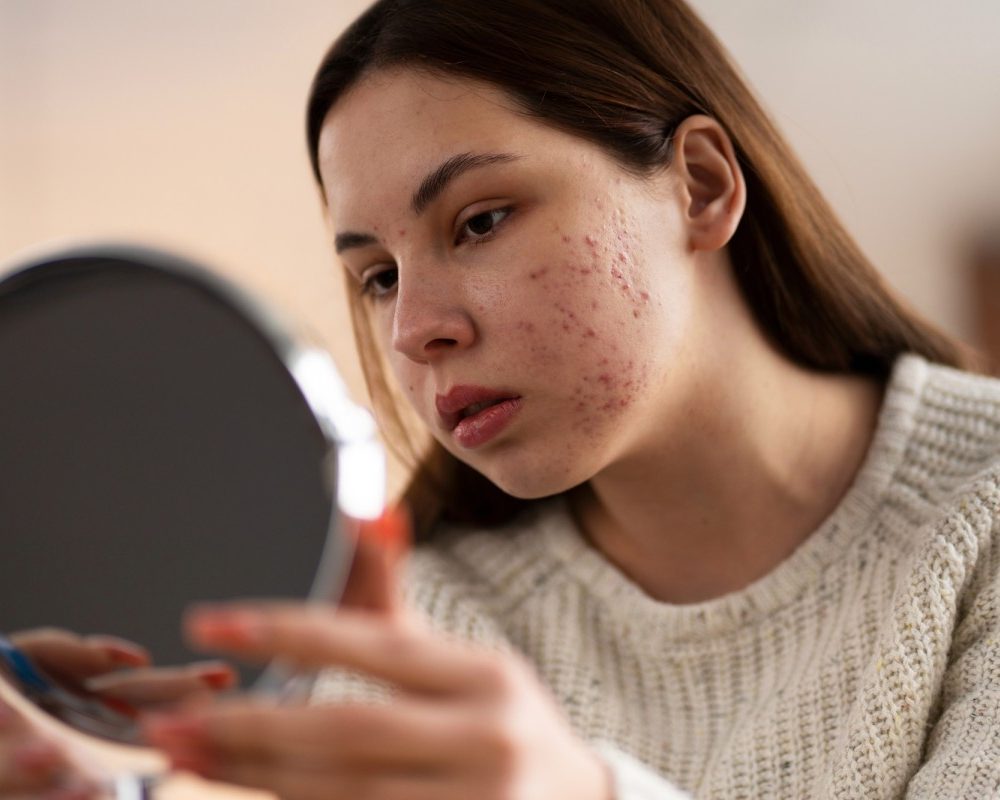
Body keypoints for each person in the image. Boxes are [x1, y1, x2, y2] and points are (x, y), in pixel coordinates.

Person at [6, 0, 1000, 797]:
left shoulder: (979, 516)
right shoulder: (426, 618)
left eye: (479, 220)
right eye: (378, 275)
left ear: (698, 184)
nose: (412, 330)